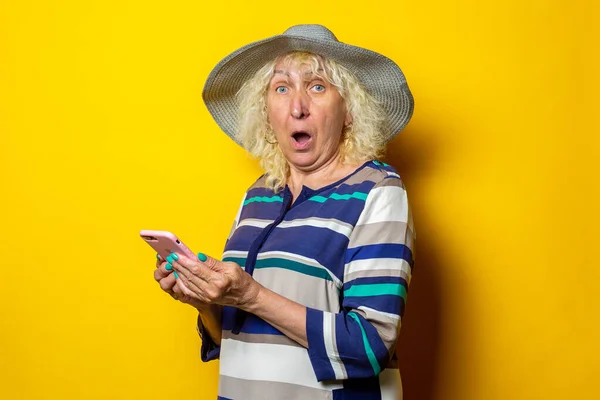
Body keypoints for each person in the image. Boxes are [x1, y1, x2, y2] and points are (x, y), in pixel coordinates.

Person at [153, 24, 415, 400]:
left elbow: (369, 346)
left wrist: (251, 295)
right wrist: (205, 301)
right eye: (281, 88)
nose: (297, 106)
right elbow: (236, 337)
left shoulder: (378, 190)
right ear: (266, 113)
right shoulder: (258, 195)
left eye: (317, 86)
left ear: (349, 110)